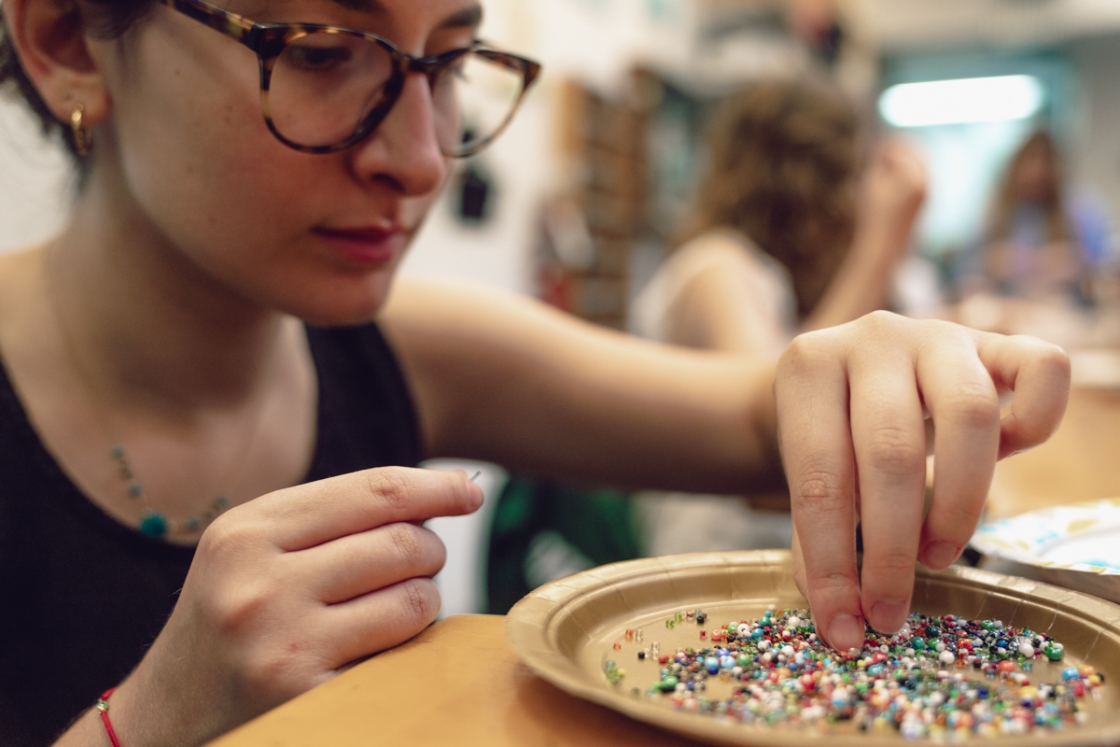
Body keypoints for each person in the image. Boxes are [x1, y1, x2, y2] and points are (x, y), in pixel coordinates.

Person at [0, 1, 1069, 746]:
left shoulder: (413, 347)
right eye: (323, 51)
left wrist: (869, 360)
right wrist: (137, 727)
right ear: (66, 39)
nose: (420, 159)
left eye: (449, 62)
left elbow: (756, 413)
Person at [632, 79, 927, 554]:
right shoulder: (717, 265)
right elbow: (791, 401)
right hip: (715, 556)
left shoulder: (769, 274)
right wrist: (880, 243)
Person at [959, 130, 1112, 307]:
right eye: (1030, 167)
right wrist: (989, 264)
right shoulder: (999, 214)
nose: (1036, 174)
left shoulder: (1081, 210)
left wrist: (1077, 265)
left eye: (1044, 172)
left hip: (1064, 313)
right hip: (1009, 311)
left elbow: (1105, 269)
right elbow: (964, 273)